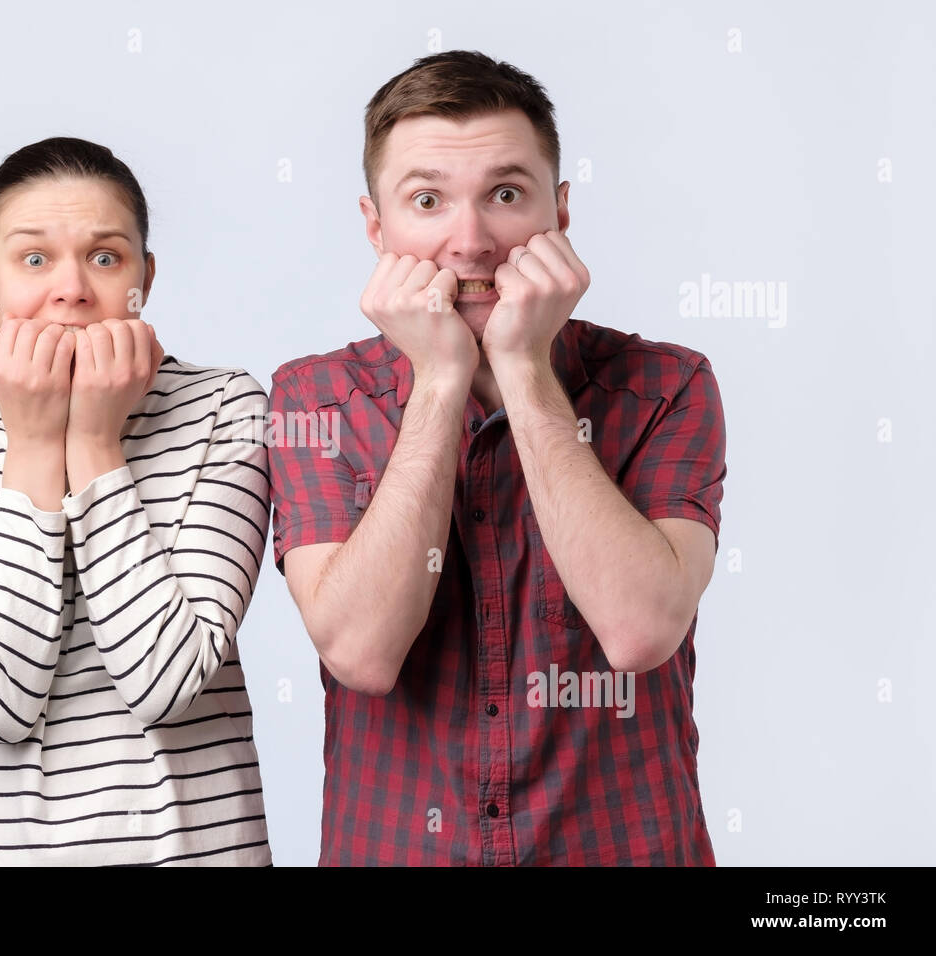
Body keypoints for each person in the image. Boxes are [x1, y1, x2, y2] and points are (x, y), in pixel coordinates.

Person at [267, 51, 727, 865]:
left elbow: (639, 629)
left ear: (561, 210)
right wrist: (441, 381)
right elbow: (363, 652)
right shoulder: (316, 401)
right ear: (376, 227)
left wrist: (523, 365)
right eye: (427, 200)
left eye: (506, 195)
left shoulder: (664, 385)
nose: (470, 242)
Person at [0, 136, 272, 865]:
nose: (72, 288)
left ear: (146, 275)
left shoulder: (225, 408)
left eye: (106, 257)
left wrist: (95, 445)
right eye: (34, 258)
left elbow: (166, 684)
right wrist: (36, 445)